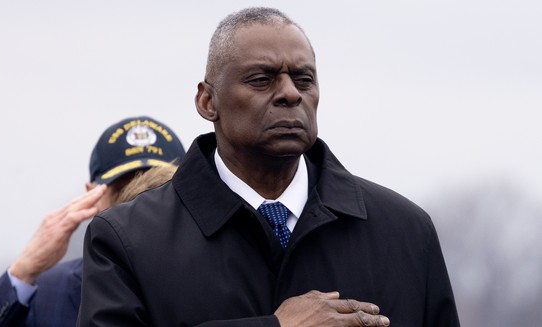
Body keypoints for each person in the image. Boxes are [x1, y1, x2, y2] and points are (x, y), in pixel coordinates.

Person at [78, 7, 460, 327]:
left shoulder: (406, 232)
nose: (291, 93)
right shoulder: (126, 239)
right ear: (208, 101)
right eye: (262, 80)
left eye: (303, 78)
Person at [0, 116, 184, 327]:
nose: (138, 205)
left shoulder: (212, 275)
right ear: (91, 197)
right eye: (122, 191)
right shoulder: (51, 292)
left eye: (157, 191)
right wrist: (23, 271)